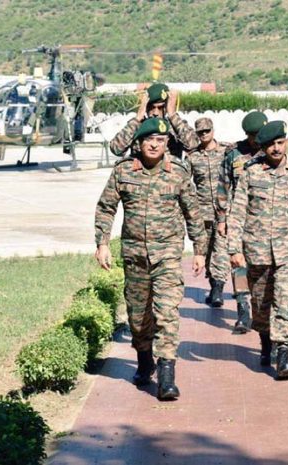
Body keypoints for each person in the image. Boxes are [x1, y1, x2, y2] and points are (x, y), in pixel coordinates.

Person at [94, 117, 207, 400]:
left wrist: (200, 250)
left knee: (167, 313)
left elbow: (193, 212)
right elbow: (106, 207)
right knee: (138, 316)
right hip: (134, 257)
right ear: (139, 143)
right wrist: (102, 243)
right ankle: (144, 361)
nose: (154, 144)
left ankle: (167, 375)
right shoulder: (123, 171)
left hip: (167, 255)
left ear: (167, 143)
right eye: (149, 140)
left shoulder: (179, 172)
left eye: (160, 140)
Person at [227, 120, 288, 379]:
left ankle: (284, 355)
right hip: (257, 250)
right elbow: (237, 212)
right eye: (270, 145)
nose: (276, 149)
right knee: (260, 305)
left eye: (280, 143)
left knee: (285, 301)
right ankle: (265, 341)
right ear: (263, 147)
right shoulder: (251, 172)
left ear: (286, 142)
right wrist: (233, 248)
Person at [214, 111, 267, 333]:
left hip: (264, 221)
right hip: (238, 218)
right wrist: (222, 218)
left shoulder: (272, 151)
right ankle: (244, 312)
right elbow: (223, 187)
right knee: (239, 265)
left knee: (263, 269)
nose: (256, 140)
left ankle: (263, 313)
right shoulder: (234, 155)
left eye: (259, 135)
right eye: (252, 136)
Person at [187, 117, 232, 308]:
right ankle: (212, 283)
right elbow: (184, 181)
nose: (204, 134)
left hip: (224, 211)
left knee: (221, 250)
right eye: (201, 132)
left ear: (213, 130)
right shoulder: (192, 157)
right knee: (204, 251)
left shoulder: (227, 151)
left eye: (207, 130)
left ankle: (217, 290)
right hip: (202, 211)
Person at [109, 83, 199, 159]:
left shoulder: (175, 125)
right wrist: (138, 118)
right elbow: (116, 149)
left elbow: (193, 144)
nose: (155, 113)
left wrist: (172, 114)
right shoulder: (137, 125)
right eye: (151, 107)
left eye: (160, 108)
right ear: (146, 106)